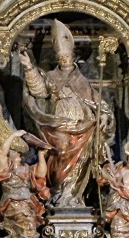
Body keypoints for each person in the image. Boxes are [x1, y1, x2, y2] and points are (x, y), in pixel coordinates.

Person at [19, 20, 114, 207]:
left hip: (84, 125)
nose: (64, 60)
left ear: (72, 57)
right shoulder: (52, 77)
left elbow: (96, 101)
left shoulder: (82, 81)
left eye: (66, 56)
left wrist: (103, 114)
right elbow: (39, 90)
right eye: (60, 57)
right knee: (61, 151)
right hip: (60, 124)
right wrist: (29, 68)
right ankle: (59, 192)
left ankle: (72, 196)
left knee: (84, 157)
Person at [0, 128, 50, 238]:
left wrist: (41, 156)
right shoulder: (6, 167)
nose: (15, 153)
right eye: (13, 150)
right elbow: (2, 153)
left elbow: (41, 174)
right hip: (12, 202)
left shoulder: (27, 168)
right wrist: (13, 135)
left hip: (26, 204)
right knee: (28, 230)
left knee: (23, 231)